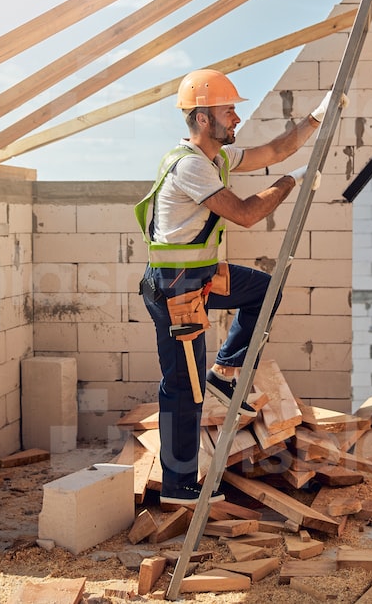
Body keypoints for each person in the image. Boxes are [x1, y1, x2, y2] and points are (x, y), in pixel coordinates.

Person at [135, 69, 345, 505]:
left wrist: (316, 118)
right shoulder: (192, 165)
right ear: (203, 119)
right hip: (176, 290)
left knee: (263, 290)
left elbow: (273, 149)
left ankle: (224, 373)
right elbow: (246, 213)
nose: (236, 117)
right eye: (228, 110)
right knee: (183, 390)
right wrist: (293, 181)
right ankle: (178, 487)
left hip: (201, 277)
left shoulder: (215, 158)